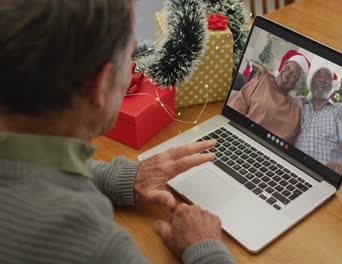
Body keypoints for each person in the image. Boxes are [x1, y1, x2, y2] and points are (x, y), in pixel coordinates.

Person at [0, 1, 234, 263]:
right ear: (101, 84)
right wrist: (205, 248)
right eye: (131, 57)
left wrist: (123, 177)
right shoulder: (97, 247)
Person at [228, 50, 311, 144]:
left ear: (297, 84)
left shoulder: (296, 110)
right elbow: (234, 111)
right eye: (287, 67)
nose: (287, 74)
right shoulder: (261, 80)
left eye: (294, 75)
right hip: (241, 136)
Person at [295, 67, 342, 174]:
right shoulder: (298, 103)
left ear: (332, 85)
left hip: (324, 174)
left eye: (327, 77)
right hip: (294, 166)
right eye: (318, 75)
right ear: (310, 82)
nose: (323, 80)